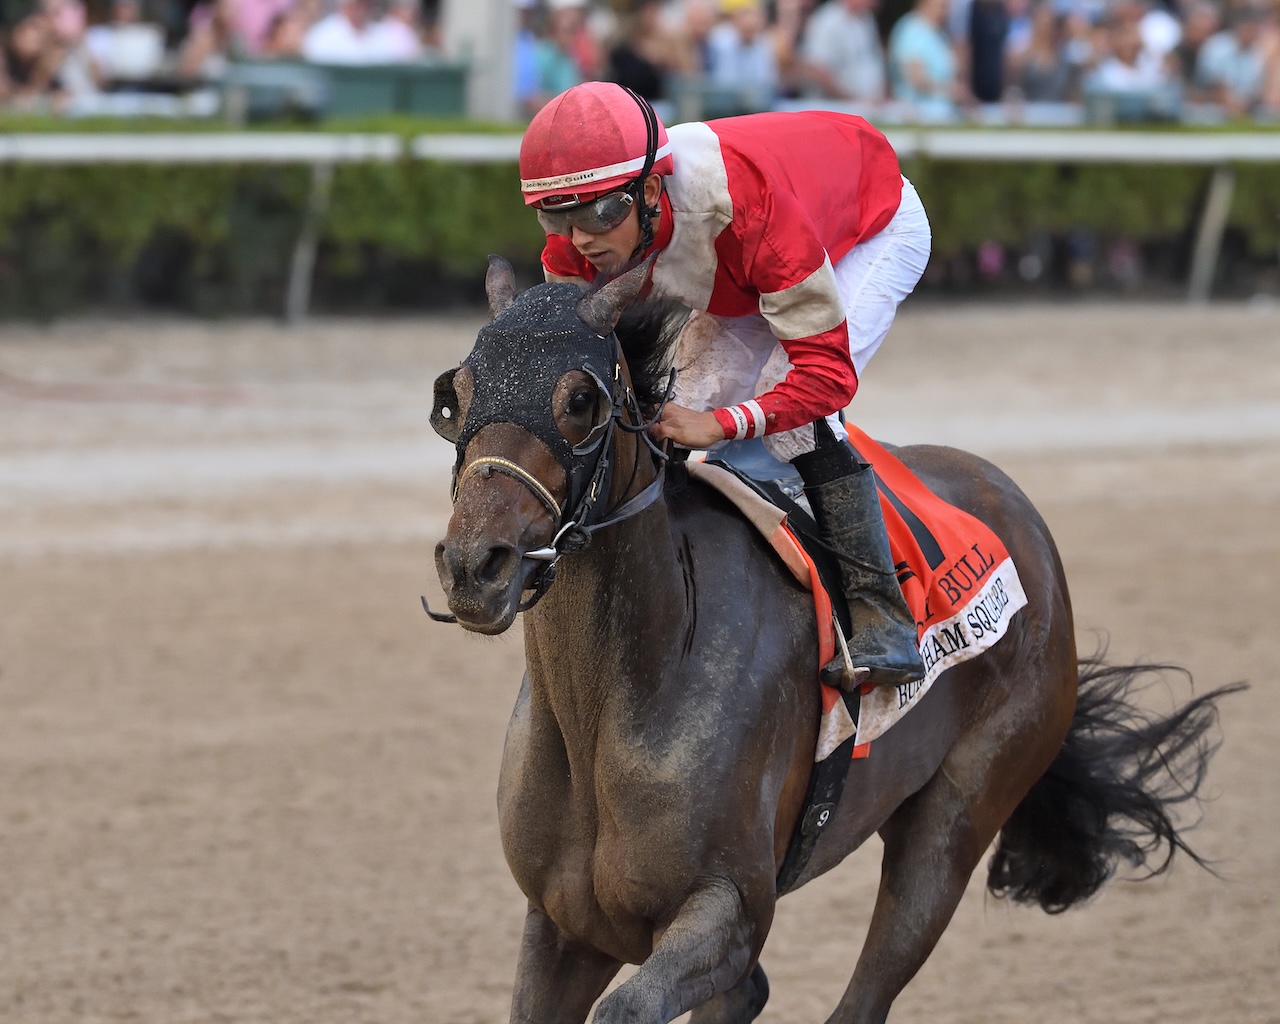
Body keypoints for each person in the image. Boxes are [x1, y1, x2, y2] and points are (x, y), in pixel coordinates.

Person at [517, 81, 931, 690]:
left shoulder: (750, 209)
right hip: (741, 262)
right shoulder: (579, 235)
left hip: (868, 228)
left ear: (651, 191)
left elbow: (826, 377)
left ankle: (881, 612)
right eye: (560, 216)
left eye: (602, 214)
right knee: (669, 397)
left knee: (791, 417)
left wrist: (723, 424)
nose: (581, 239)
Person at [798, 0, 887, 103]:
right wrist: (851, 99)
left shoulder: (867, 18)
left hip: (868, 105)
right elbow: (817, 68)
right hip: (835, 106)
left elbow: (873, 62)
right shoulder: (827, 20)